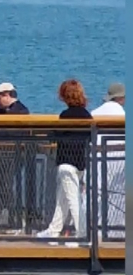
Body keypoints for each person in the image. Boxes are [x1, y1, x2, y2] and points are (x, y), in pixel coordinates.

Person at [39, 79, 92, 239]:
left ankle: (82, 234)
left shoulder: (65, 116)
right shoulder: (87, 116)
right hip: (80, 164)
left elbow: (56, 135)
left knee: (73, 200)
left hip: (66, 164)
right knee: (63, 199)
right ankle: (54, 230)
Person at [91, 84, 125, 238]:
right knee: (117, 196)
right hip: (118, 160)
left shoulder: (94, 113)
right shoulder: (121, 115)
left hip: (95, 158)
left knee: (93, 194)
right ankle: (115, 231)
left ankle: (91, 231)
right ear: (121, 98)